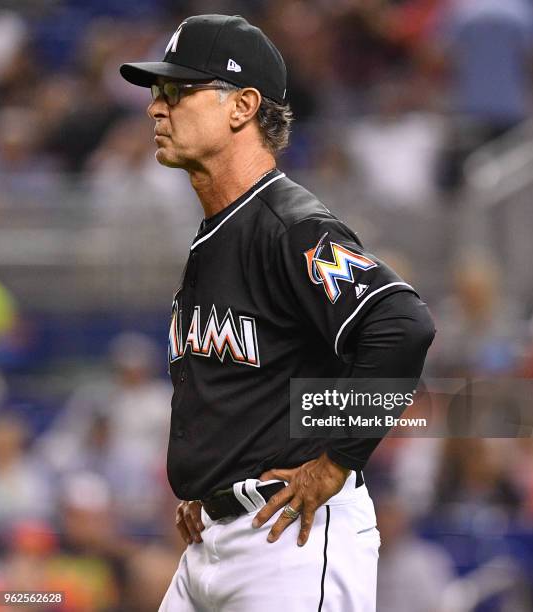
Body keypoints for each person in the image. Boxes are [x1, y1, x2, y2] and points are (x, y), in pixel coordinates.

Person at [120, 14, 435, 611]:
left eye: (179, 91)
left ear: (242, 106)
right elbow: (244, 381)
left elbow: (402, 325)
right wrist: (210, 484)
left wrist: (337, 462)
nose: (156, 108)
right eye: (157, 93)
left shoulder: (290, 225)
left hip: (289, 539)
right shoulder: (221, 231)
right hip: (214, 539)